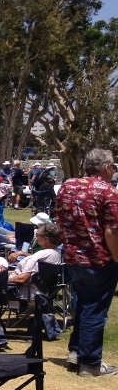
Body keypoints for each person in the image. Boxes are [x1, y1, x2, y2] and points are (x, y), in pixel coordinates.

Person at [54, 147, 118, 377]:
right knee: (95, 311)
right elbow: (112, 231)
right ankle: (90, 363)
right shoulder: (108, 191)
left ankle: (76, 351)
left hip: (72, 257)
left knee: (82, 304)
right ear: (105, 168)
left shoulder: (67, 185)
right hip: (98, 260)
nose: (113, 170)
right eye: (113, 166)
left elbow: (58, 219)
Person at [7, 222, 63, 302]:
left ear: (46, 239)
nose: (36, 237)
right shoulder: (57, 254)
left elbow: (23, 279)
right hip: (43, 291)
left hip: (20, 291)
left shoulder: (38, 256)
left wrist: (2, 281)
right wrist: (23, 253)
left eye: (37, 235)